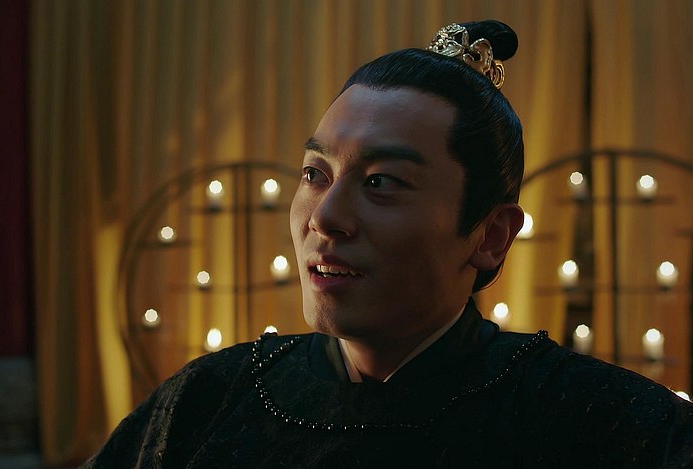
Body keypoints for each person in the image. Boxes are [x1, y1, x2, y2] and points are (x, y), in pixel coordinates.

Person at [83, 20, 693, 467]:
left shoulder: (610, 424)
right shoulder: (207, 401)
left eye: (381, 183)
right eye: (315, 174)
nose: (326, 218)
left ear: (490, 235)